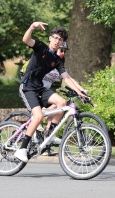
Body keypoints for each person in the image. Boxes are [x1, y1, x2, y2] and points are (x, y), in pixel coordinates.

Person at [15, 22, 89, 162]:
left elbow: (67, 78)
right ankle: (22, 149)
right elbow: (26, 40)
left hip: (40, 87)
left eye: (60, 40)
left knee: (62, 102)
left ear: (63, 43)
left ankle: (49, 135)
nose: (57, 41)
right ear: (50, 38)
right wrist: (32, 26)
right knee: (37, 117)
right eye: (55, 38)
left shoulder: (57, 60)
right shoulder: (41, 47)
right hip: (27, 87)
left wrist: (80, 92)